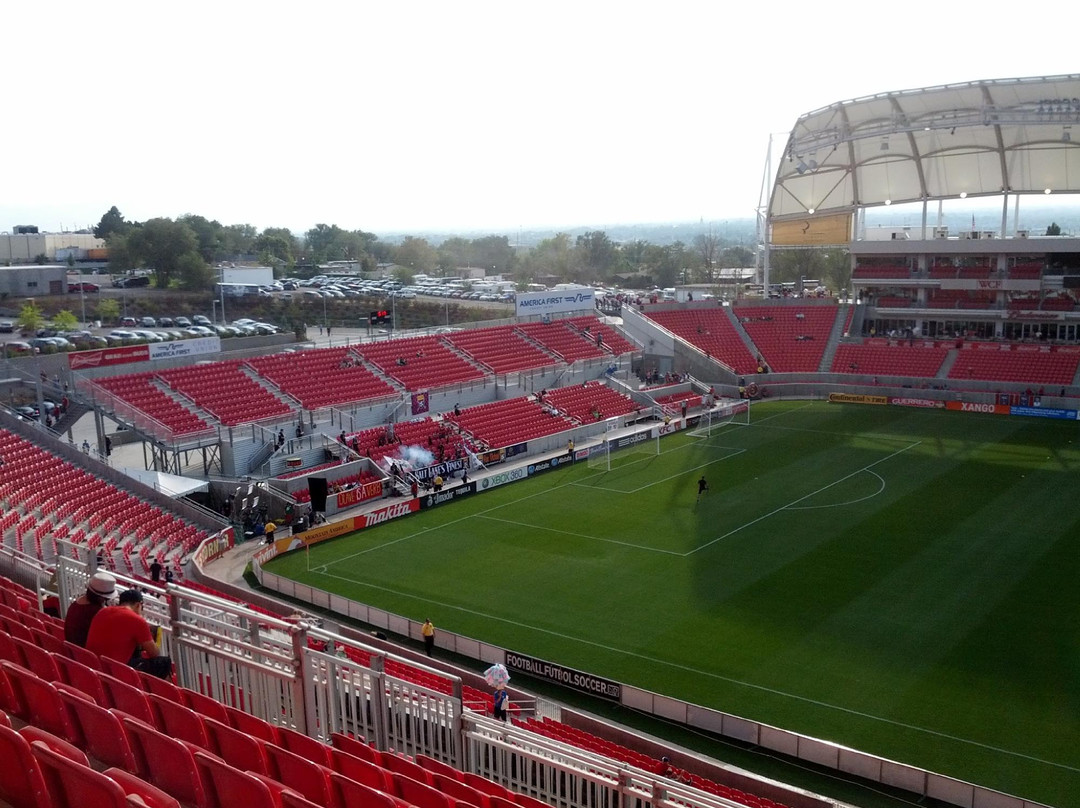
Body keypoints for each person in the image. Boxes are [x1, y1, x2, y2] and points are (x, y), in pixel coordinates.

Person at [85, 588, 171, 678]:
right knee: (164, 663)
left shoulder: (102, 611)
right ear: (139, 605)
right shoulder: (137, 620)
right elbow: (154, 653)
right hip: (114, 670)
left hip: (93, 664)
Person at [64, 571, 117, 647]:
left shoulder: (76, 603)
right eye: (106, 599)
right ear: (101, 598)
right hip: (85, 652)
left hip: (73, 649)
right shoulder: (97, 612)